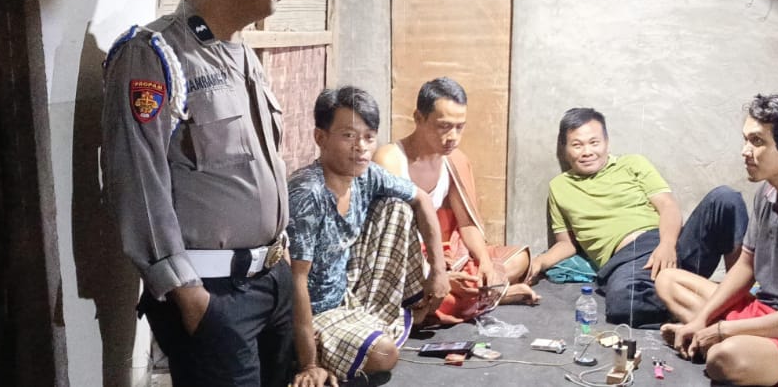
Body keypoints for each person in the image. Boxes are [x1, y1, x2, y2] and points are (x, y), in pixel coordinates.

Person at [101, 0, 292, 387]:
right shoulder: (154, 54)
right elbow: (137, 182)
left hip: (272, 283)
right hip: (213, 293)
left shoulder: (241, 55)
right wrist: (186, 292)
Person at [657, 93, 778, 387]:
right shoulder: (768, 191)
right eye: (746, 140)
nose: (745, 151)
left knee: (725, 359)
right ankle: (707, 336)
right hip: (761, 310)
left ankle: (721, 344)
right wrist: (702, 319)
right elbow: (746, 266)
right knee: (667, 280)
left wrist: (723, 331)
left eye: (757, 141)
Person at [287, 87, 451, 387]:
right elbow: (296, 281)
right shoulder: (308, 193)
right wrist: (309, 364)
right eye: (348, 135)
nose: (360, 147)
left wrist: (439, 271)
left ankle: (364, 332)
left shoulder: (366, 175)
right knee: (384, 355)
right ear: (320, 137)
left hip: (348, 292)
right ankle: (318, 354)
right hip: (310, 312)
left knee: (397, 207)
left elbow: (422, 199)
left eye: (369, 137)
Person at [527, 107, 748, 328]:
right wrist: (539, 262)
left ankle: (737, 296)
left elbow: (668, 206)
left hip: (670, 245)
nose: (587, 152)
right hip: (629, 263)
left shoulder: (633, 163)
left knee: (725, 198)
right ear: (565, 149)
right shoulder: (559, 187)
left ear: (606, 143)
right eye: (577, 145)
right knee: (623, 303)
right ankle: (716, 318)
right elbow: (566, 244)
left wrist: (667, 245)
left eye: (594, 143)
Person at [375, 77, 539, 324]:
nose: (453, 136)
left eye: (460, 127)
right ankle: (490, 295)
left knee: (519, 259)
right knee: (430, 295)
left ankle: (477, 291)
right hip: (406, 258)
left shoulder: (454, 159)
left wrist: (485, 263)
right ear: (418, 118)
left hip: (443, 252)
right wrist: (437, 274)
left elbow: (467, 223)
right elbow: (391, 239)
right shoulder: (390, 160)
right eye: (444, 126)